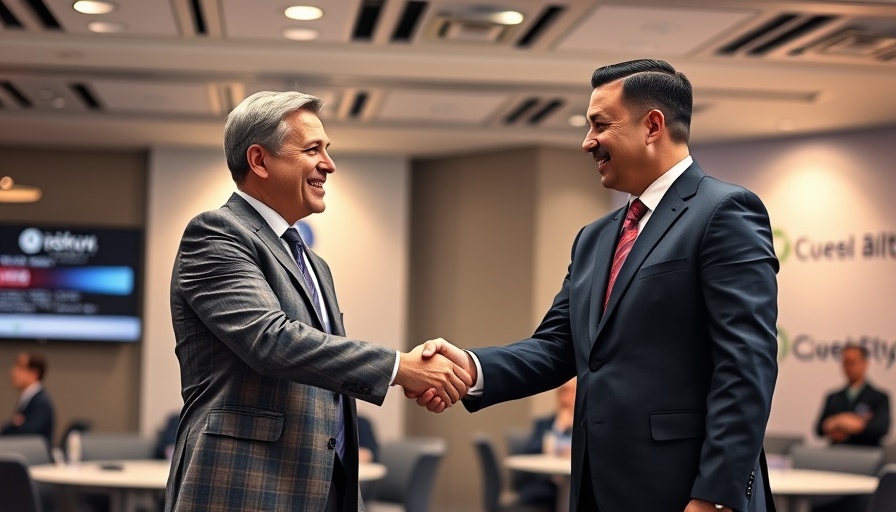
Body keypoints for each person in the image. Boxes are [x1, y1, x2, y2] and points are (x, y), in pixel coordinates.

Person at [414, 59, 779, 512]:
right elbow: (556, 346)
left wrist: (714, 497)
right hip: (598, 489)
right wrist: (469, 368)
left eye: (599, 125)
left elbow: (747, 367)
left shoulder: (725, 212)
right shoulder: (594, 238)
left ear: (652, 125)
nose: (588, 142)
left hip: (687, 494)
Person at [165, 90, 472, 512]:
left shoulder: (313, 263)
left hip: (324, 488)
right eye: (313, 150)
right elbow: (271, 341)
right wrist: (401, 368)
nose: (329, 164)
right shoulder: (216, 233)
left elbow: (322, 375)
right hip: (241, 487)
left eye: (327, 150)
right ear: (259, 160)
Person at [514, 378, 577, 510]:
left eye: (572, 392)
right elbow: (530, 451)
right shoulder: (544, 423)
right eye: (563, 392)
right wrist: (558, 428)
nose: (567, 397)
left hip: (575, 483)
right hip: (546, 483)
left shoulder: (583, 426)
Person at [815, 344, 890, 446]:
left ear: (864, 364)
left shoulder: (879, 397)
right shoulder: (833, 397)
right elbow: (819, 429)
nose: (849, 367)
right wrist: (838, 421)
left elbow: (882, 427)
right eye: (846, 363)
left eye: (853, 362)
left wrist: (857, 425)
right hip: (838, 454)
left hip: (867, 455)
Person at [2, 352, 55, 451]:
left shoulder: (40, 402)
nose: (12, 372)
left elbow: (25, 435)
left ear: (33, 373)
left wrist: (9, 428)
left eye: (19, 367)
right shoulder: (28, 399)